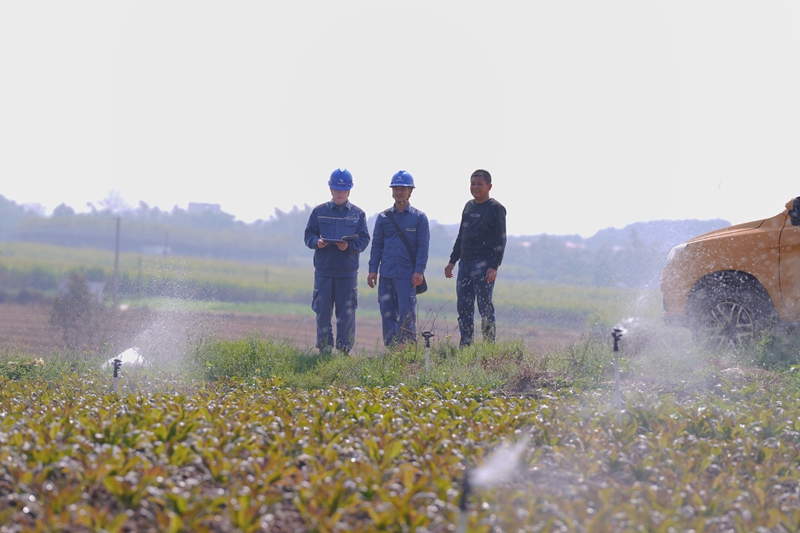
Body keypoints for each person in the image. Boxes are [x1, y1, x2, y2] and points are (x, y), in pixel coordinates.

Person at [303, 168, 370, 354]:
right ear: (330, 189)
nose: (340, 193)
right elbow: (309, 235)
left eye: (344, 190)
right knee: (322, 313)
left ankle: (343, 352)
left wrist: (347, 247)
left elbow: (364, 240)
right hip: (324, 272)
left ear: (349, 190)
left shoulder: (358, 214)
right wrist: (317, 242)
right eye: (336, 189)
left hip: (347, 273)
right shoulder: (319, 212)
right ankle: (324, 349)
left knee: (346, 315)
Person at [444, 169, 507, 347]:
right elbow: (461, 236)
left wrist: (494, 266)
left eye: (480, 184)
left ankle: (488, 348)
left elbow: (500, 239)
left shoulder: (496, 209)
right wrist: (452, 261)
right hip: (465, 263)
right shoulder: (468, 206)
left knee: (485, 308)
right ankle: (466, 345)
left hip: (484, 264)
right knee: (463, 307)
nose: (475, 187)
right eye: (473, 184)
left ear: (489, 186)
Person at [367, 170, 430, 346]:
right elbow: (377, 245)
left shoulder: (419, 218)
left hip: (407, 276)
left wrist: (419, 271)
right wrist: (373, 270)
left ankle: (408, 352)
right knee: (387, 314)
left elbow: (423, 247)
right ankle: (391, 351)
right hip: (386, 274)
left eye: (403, 188)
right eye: (396, 188)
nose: (399, 192)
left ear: (411, 191)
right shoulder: (383, 217)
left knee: (406, 314)